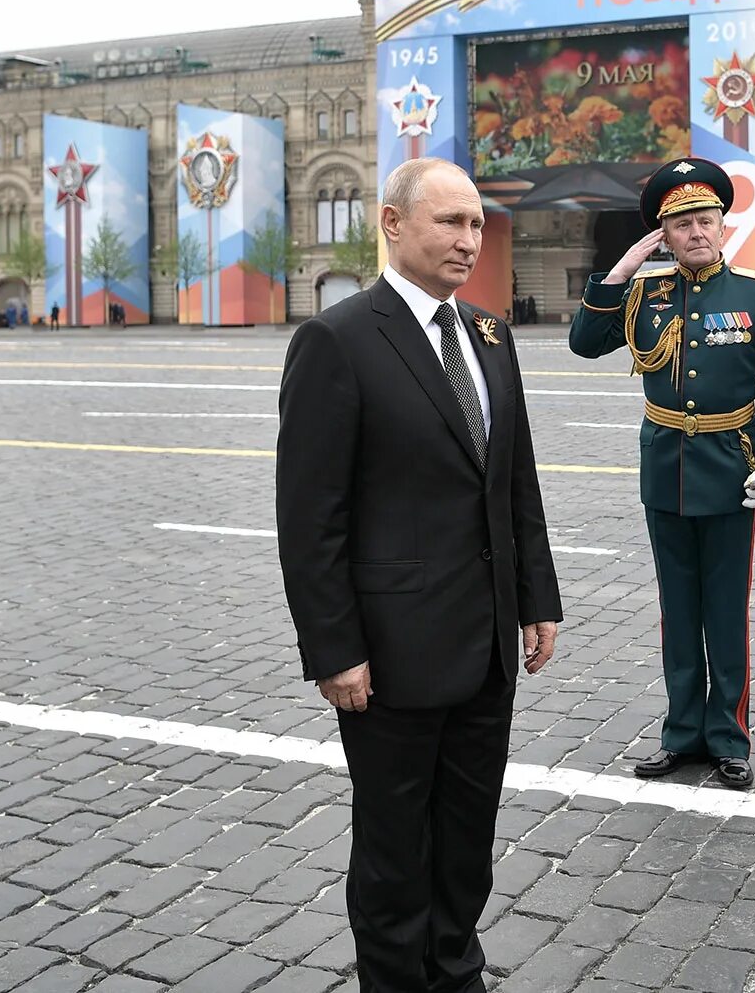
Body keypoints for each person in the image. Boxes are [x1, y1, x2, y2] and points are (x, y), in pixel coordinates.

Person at [277, 157, 562, 991]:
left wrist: (537, 596)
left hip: (485, 645)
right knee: (396, 848)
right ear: (393, 224)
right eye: (449, 222)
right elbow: (310, 514)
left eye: (476, 224)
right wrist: (334, 647)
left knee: (468, 837)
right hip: (393, 653)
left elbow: (515, 480)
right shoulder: (337, 338)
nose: (468, 240)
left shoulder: (488, 334)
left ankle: (455, 968)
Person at [569, 157, 755, 790]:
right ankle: (681, 733)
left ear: (724, 227)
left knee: (726, 611)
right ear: (664, 237)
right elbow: (584, 343)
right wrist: (619, 272)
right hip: (666, 472)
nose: (696, 233)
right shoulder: (644, 294)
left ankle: (728, 737)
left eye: (706, 221)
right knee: (679, 610)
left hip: (732, 472)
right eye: (682, 226)